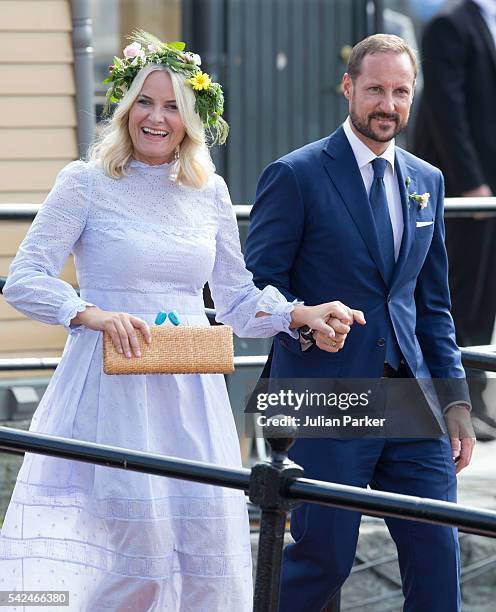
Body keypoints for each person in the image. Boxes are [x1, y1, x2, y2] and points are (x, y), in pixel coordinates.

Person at [0, 32, 362, 611]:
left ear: (191, 119)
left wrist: (301, 313)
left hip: (191, 398)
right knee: (137, 559)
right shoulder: (85, 183)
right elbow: (25, 278)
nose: (157, 117)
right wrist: (89, 314)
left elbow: (236, 298)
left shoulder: (208, 190)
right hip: (111, 392)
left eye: (172, 106)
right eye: (146, 101)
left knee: (205, 558)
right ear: (123, 108)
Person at [245, 34, 475, 612]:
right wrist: (304, 319)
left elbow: (433, 304)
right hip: (321, 395)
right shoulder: (295, 174)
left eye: (401, 91)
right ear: (348, 88)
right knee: (323, 560)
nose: (388, 104)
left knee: (437, 556)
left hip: (410, 396)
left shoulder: (429, 180)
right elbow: (254, 288)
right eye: (375, 89)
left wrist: (456, 403)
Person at [413, 0, 496, 437]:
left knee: (484, 297)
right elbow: (448, 108)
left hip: (490, 188)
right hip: (466, 190)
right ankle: (455, 399)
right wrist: (470, 182)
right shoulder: (449, 25)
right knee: (457, 294)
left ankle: (475, 395)